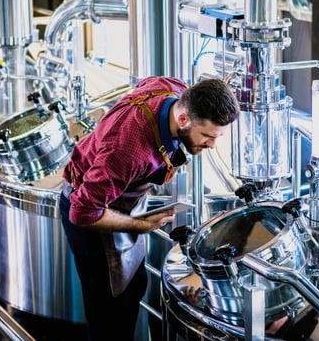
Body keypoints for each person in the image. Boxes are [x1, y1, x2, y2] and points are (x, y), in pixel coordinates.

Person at [58, 75, 240, 340]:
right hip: (92, 219)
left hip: (120, 204)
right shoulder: (128, 150)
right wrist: (139, 225)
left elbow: (149, 80)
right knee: (110, 317)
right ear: (183, 120)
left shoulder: (175, 91)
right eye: (208, 136)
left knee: (133, 287)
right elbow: (83, 211)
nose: (212, 145)